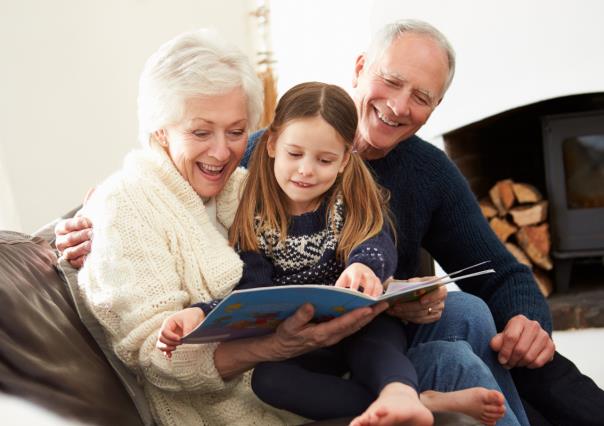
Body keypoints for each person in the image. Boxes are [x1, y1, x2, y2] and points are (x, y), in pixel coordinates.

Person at [56, 19, 604, 426]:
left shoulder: (424, 172)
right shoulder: (262, 160)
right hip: (299, 348)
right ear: (361, 69)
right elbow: (167, 175)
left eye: (422, 97)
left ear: (436, 108)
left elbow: (493, 271)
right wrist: (83, 216)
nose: (397, 106)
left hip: (374, 329)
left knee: (477, 314)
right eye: (391, 81)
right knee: (461, 344)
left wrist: (530, 319)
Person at [156, 81, 512, 425]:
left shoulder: (349, 202)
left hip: (360, 325)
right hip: (303, 345)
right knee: (268, 381)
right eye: (295, 154)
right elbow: (250, 292)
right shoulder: (253, 214)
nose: (306, 171)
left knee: (377, 341)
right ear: (272, 144)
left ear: (344, 160)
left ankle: (399, 393)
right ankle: (421, 402)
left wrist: (364, 267)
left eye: (325, 160)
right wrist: (200, 314)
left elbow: (376, 243)